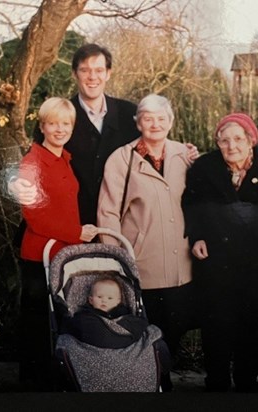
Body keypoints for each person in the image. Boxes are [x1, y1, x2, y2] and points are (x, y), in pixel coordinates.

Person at [9, 43, 199, 224]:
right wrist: (14, 181)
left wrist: (182, 152)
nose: (92, 77)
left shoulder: (129, 114)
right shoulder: (59, 117)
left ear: (108, 74)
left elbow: (153, 149)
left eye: (99, 70)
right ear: (75, 73)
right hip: (72, 224)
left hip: (121, 222)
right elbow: (34, 161)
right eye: (85, 70)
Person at [181, 113, 258, 393]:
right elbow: (191, 204)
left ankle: (248, 382)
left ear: (250, 140)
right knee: (216, 326)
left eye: (237, 139)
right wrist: (195, 237)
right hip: (216, 264)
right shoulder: (205, 167)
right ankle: (216, 383)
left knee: (251, 325)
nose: (231, 146)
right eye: (224, 140)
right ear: (217, 143)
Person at [97, 94, 197, 391]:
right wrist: (117, 259)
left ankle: (162, 378)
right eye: (148, 118)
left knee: (175, 328)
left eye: (162, 118)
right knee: (146, 331)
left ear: (171, 121)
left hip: (181, 263)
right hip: (142, 263)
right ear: (137, 122)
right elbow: (108, 212)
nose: (155, 124)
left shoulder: (185, 155)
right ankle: (151, 382)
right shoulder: (122, 158)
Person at [17, 97, 97, 391]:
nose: (60, 129)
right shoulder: (31, 163)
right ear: (42, 126)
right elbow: (36, 219)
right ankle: (35, 386)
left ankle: (61, 377)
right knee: (39, 322)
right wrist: (77, 233)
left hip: (63, 254)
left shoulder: (65, 158)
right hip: (40, 256)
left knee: (61, 318)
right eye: (53, 123)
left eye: (66, 123)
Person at [61, 272, 149, 349]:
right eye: (99, 297)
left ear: (118, 301)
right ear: (91, 300)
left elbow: (140, 324)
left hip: (124, 346)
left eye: (110, 298)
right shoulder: (84, 315)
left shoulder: (125, 314)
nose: (104, 300)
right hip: (94, 344)